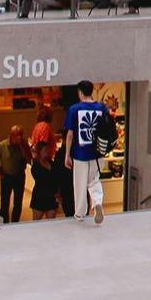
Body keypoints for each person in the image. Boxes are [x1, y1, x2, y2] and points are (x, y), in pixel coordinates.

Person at [62, 80, 111, 224]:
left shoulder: (74, 109)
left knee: (80, 183)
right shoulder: (102, 108)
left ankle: (80, 213)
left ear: (80, 92)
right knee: (94, 179)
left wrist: (67, 155)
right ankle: (97, 203)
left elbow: (70, 134)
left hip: (80, 153)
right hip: (97, 152)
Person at [0, 126, 28, 225]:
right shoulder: (2, 145)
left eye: (21, 135)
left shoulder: (23, 145)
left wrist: (22, 147)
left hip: (19, 176)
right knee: (5, 202)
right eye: (17, 135)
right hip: (7, 176)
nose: (19, 138)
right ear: (11, 135)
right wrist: (0, 173)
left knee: (18, 202)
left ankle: (15, 223)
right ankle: (4, 223)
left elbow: (28, 158)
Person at [28, 140, 62, 220]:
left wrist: (58, 191)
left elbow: (57, 178)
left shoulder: (51, 163)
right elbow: (41, 180)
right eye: (45, 150)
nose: (47, 151)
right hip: (40, 197)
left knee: (51, 223)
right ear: (40, 151)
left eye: (48, 149)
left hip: (51, 197)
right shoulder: (36, 165)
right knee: (36, 222)